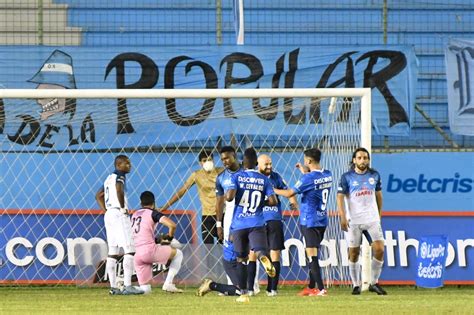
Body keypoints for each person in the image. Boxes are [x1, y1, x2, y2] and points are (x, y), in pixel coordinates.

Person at [274, 148, 332, 297]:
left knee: (312, 255)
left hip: (309, 220)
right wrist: (304, 172)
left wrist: (271, 189)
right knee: (313, 254)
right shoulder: (327, 174)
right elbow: (314, 181)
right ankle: (312, 286)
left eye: (305, 159)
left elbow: (289, 193)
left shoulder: (307, 179)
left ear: (309, 161)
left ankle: (320, 289)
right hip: (322, 219)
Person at [226, 147, 278, 303]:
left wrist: (236, 190)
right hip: (257, 222)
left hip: (239, 224)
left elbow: (229, 197)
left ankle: (243, 293)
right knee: (260, 250)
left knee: (241, 259)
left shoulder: (238, 176)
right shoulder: (264, 179)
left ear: (243, 162)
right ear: (256, 163)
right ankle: (263, 257)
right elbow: (274, 201)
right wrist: (261, 202)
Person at [337, 147, 387, 295]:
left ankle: (374, 282)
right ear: (354, 160)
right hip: (354, 220)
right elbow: (340, 197)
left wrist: (378, 214)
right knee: (354, 253)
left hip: (371, 219)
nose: (362, 160)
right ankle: (356, 284)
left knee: (379, 249)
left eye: (365, 158)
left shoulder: (374, 175)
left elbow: (379, 195)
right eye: (359, 158)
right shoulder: (346, 177)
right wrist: (342, 216)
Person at [95, 155, 144, 295]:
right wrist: (122, 208)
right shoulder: (119, 176)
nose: (129, 165)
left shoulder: (108, 178)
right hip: (118, 214)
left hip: (109, 215)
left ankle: (114, 288)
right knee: (129, 249)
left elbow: (98, 196)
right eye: (126, 163)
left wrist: (106, 210)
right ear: (119, 165)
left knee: (113, 252)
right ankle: (128, 286)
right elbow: (119, 189)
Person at [256, 154, 298, 297]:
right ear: (258, 164)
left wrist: (293, 201)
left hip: (271, 219)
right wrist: (275, 191)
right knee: (267, 254)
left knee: (270, 254)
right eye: (266, 164)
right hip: (259, 220)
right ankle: (264, 288)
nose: (269, 167)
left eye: (270, 164)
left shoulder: (276, 176)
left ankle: (269, 288)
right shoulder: (253, 178)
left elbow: (289, 192)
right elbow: (286, 192)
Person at [160, 150, 224, 244]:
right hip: (207, 215)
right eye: (204, 160)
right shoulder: (196, 175)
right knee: (207, 246)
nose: (207, 162)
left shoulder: (222, 172)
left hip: (222, 214)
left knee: (224, 247)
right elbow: (182, 191)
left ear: (214, 161)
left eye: (210, 159)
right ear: (200, 163)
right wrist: (165, 207)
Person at [132, 191, 184, 294]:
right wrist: (169, 238)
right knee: (178, 254)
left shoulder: (134, 214)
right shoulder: (153, 213)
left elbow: (141, 234)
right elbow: (172, 225)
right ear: (154, 203)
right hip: (149, 251)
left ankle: (124, 288)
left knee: (145, 290)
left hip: (137, 255)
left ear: (141, 203)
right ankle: (168, 284)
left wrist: (157, 240)